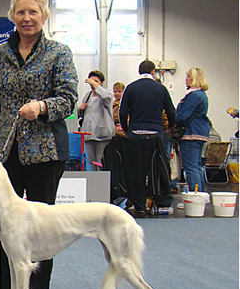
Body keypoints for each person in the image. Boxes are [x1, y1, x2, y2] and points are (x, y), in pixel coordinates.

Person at [0, 0, 78, 289]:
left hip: (45, 151)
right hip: (4, 152)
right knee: (5, 225)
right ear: (12, 15)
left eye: (33, 12)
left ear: (44, 15)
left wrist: (41, 105)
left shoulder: (59, 53)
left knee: (41, 227)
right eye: (21, 11)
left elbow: (69, 98)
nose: (26, 18)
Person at [119, 60, 176, 213]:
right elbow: (171, 111)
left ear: (139, 72)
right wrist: (171, 127)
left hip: (135, 134)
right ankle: (163, 202)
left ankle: (137, 202)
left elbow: (122, 112)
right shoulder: (161, 88)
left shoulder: (131, 88)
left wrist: (126, 129)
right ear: (153, 72)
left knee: (135, 169)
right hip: (155, 135)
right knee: (159, 168)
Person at [175, 67, 210, 202]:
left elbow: (183, 115)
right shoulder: (202, 95)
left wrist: (170, 121)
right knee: (196, 166)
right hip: (199, 132)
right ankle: (200, 196)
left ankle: (194, 198)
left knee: (190, 168)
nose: (186, 79)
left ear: (195, 78)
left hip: (191, 133)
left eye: (188, 76)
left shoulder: (193, 96)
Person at [76, 70, 115, 170]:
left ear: (101, 83)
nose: (93, 84)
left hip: (102, 135)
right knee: (90, 163)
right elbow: (81, 115)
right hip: (88, 136)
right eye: (92, 81)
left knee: (101, 161)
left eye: (96, 81)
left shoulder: (107, 94)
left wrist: (95, 85)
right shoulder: (87, 96)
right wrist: (80, 109)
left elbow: (105, 96)